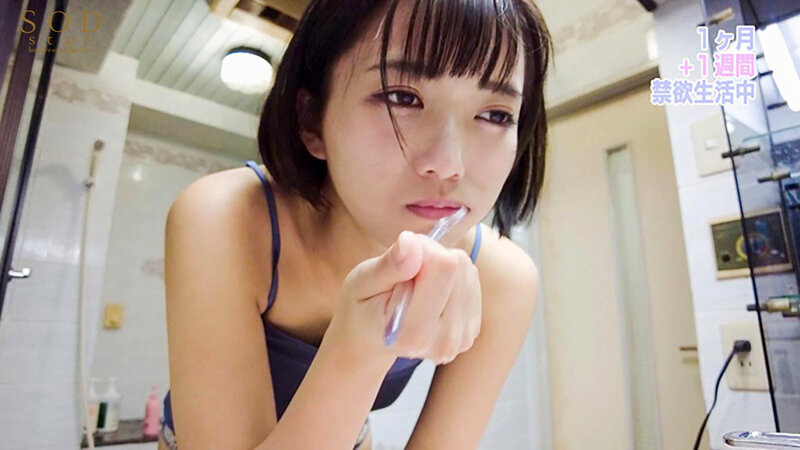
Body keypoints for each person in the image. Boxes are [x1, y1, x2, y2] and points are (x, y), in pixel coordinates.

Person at [159, 0, 551, 448]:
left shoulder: (502, 279)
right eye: (402, 97)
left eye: (496, 115)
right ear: (311, 119)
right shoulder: (225, 216)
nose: (449, 164)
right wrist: (360, 349)